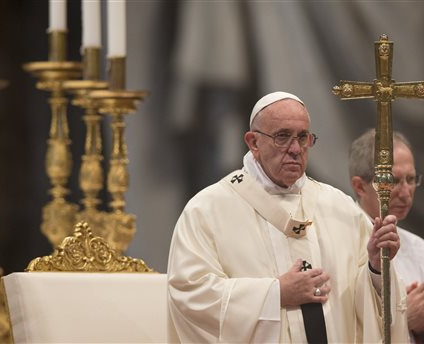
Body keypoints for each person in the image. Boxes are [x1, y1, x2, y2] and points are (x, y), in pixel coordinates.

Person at [167, 91, 408, 343]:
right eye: (282, 136)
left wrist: (376, 268)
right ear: (253, 142)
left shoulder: (340, 208)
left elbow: (359, 305)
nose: (295, 149)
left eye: (303, 137)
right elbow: (190, 293)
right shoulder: (208, 210)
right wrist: (276, 294)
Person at [349, 129, 424, 344]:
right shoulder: (336, 242)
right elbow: (335, 329)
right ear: (360, 186)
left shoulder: (421, 251)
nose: (406, 192)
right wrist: (402, 320)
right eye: (394, 181)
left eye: (411, 179)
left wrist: (423, 328)